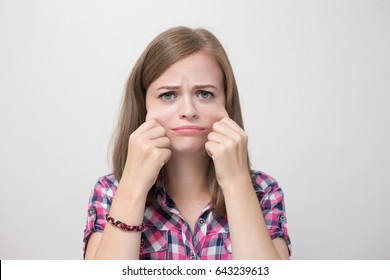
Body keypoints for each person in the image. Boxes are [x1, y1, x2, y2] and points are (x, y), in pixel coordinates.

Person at [83, 26, 291, 260]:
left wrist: (236, 182)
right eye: (168, 95)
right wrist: (133, 186)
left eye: (204, 93)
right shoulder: (110, 192)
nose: (189, 111)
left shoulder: (263, 191)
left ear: (226, 103)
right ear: (144, 106)